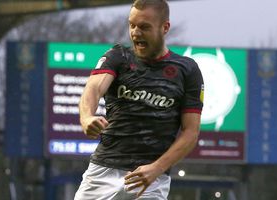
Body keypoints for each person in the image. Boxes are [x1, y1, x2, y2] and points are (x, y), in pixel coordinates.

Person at [74, 0, 204, 199]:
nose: (135, 32)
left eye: (144, 27)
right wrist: (86, 118)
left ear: (165, 27)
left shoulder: (187, 70)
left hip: (151, 179)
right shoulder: (118, 56)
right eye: (132, 25)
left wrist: (157, 168)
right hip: (103, 171)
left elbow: (191, 133)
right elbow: (93, 89)